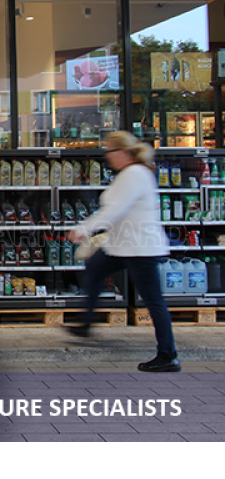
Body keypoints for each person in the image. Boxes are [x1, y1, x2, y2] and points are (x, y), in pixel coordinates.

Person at [68, 131, 180, 373]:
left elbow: (114, 210)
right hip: (120, 244)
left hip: (140, 247)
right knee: (94, 270)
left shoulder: (134, 175)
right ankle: (85, 323)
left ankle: (168, 355)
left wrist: (83, 229)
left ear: (123, 152)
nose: (107, 156)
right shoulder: (128, 174)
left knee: (153, 300)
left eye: (110, 151)